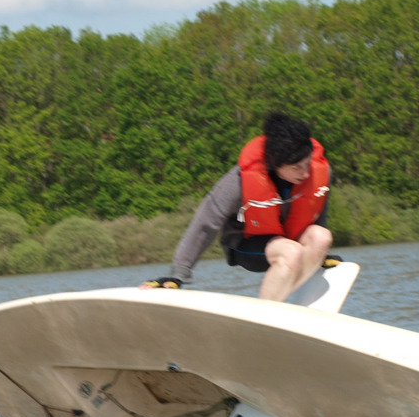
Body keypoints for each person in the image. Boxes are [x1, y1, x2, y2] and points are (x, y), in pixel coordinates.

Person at [142, 112, 341, 301]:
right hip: (247, 245)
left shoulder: (317, 171)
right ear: (274, 163)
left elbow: (317, 210)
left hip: (290, 241)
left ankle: (277, 304)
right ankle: (266, 312)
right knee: (291, 252)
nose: (305, 173)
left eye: (307, 164)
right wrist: (178, 274)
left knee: (322, 237)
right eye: (296, 168)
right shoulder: (237, 181)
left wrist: (317, 256)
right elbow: (205, 222)